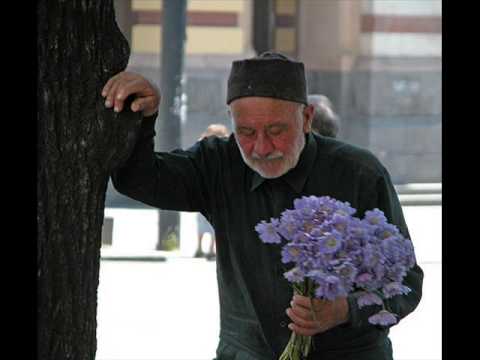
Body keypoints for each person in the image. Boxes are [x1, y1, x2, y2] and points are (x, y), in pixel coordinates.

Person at [102, 52, 423, 360]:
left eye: (276, 131)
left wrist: (345, 309)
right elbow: (138, 180)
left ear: (307, 118)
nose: (261, 148)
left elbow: (407, 283)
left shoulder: (359, 174)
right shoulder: (218, 164)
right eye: (246, 132)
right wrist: (142, 115)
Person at [194, 124, 230, 260]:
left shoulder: (200, 149)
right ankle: (210, 249)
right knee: (216, 225)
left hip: (203, 193)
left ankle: (200, 248)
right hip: (219, 195)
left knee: (203, 223)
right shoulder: (226, 151)